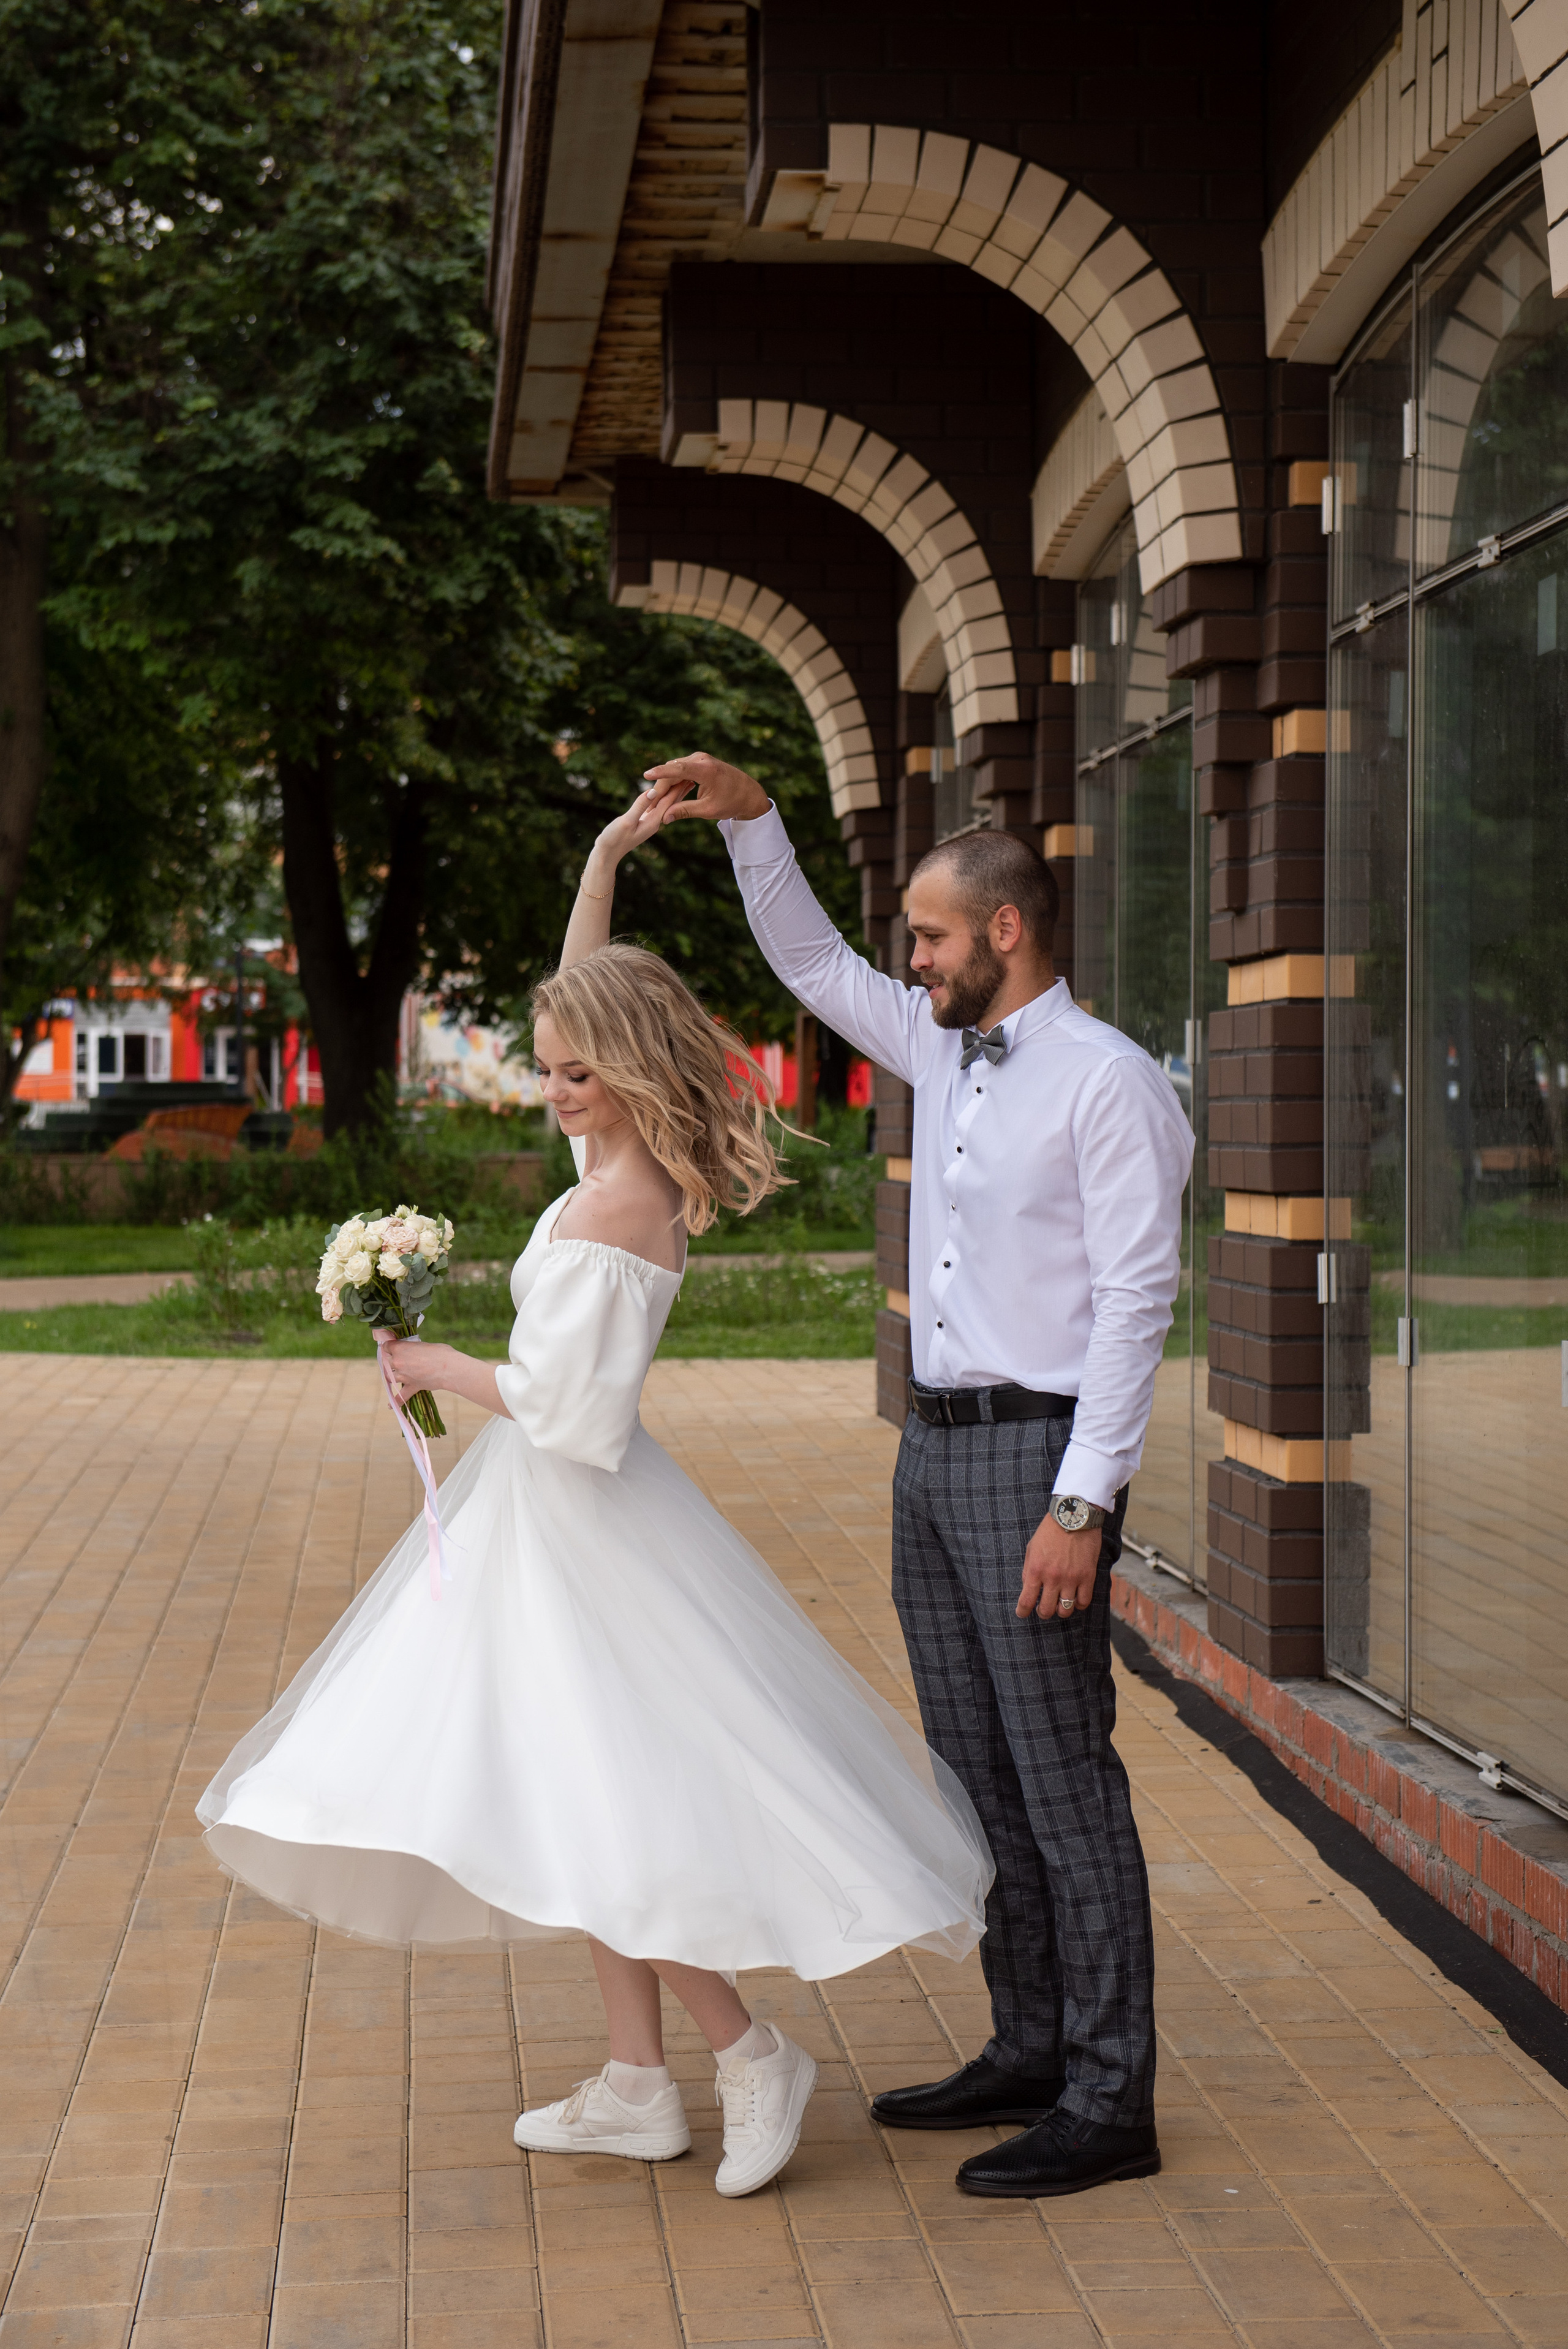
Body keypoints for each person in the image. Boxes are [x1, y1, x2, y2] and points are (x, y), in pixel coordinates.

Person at [196, 787, 992, 2203]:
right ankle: (636, 2086)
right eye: (550, 1067)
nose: (550, 1087)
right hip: (540, 1533)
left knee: (610, 1811)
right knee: (567, 1800)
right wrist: (606, 857)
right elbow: (584, 985)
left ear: (621, 1077)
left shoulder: (628, 1203)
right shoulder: (607, 1160)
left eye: (571, 1072)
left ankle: (748, 2055)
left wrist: (435, 1354)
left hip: (582, 1531)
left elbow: (575, 1413)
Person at [639, 751, 1194, 2200]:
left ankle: (1107, 2094)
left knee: (1064, 1781)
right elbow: (811, 957)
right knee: (975, 1777)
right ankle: (1024, 2046)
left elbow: (1137, 1306)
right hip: (932, 1455)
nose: (914, 962)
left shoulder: (1109, 1084)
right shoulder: (943, 1046)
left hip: (1035, 1459)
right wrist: (752, 819)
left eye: (933, 940)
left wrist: (1081, 1503)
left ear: (1004, 932)